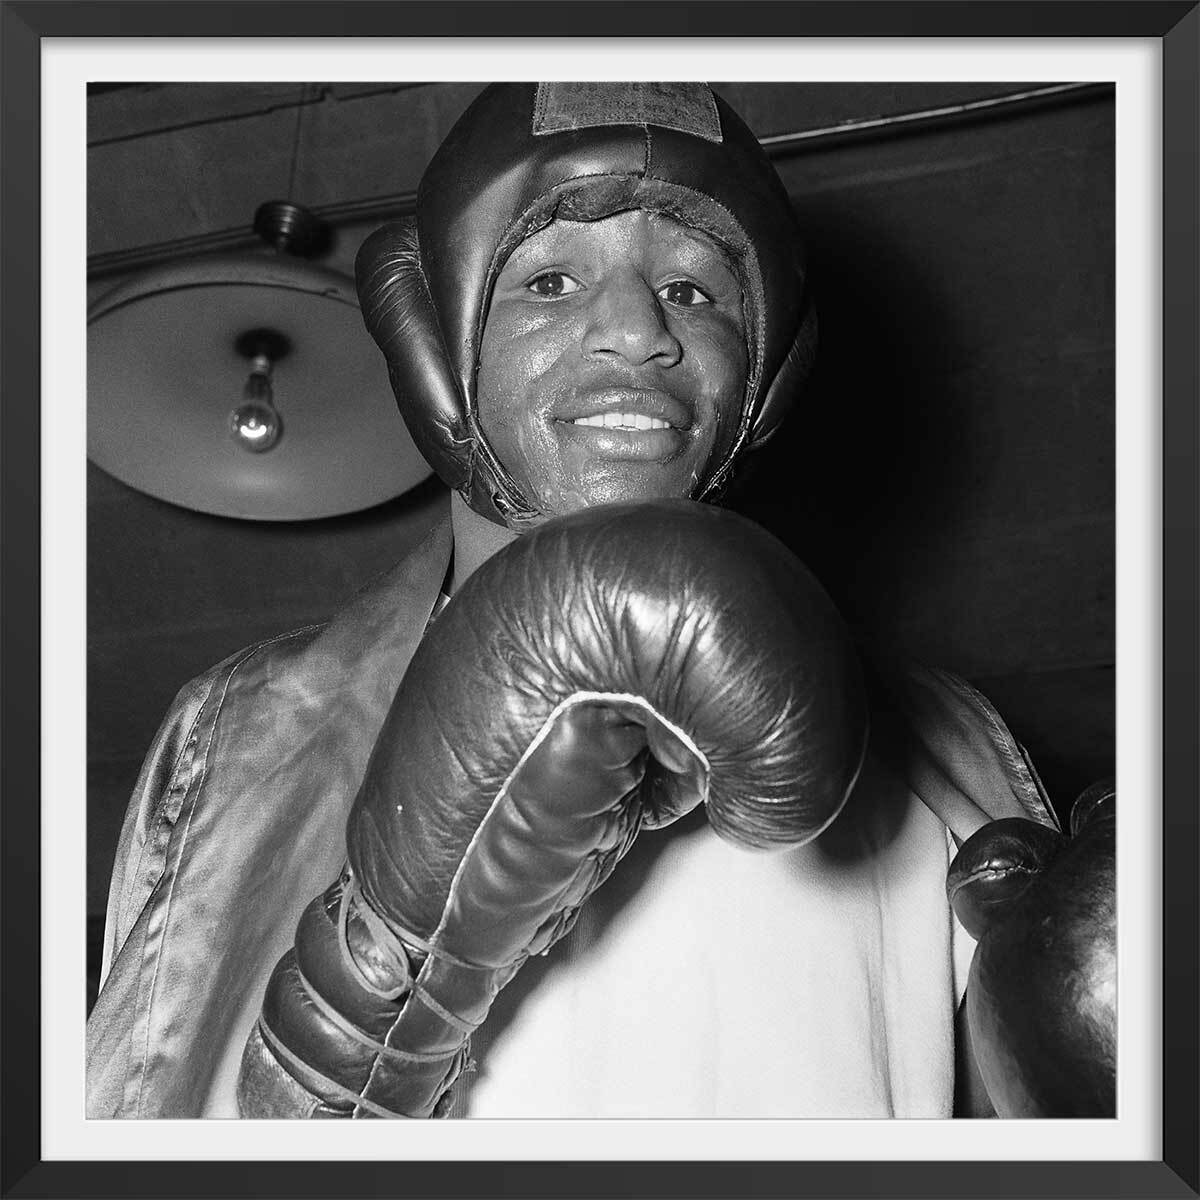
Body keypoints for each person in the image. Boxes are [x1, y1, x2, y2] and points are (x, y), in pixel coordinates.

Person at [87, 82, 1066, 1120]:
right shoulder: (241, 731)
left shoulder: (943, 752)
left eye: (695, 292)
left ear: (771, 374)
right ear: (431, 341)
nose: (638, 330)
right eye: (551, 278)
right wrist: (354, 1021)